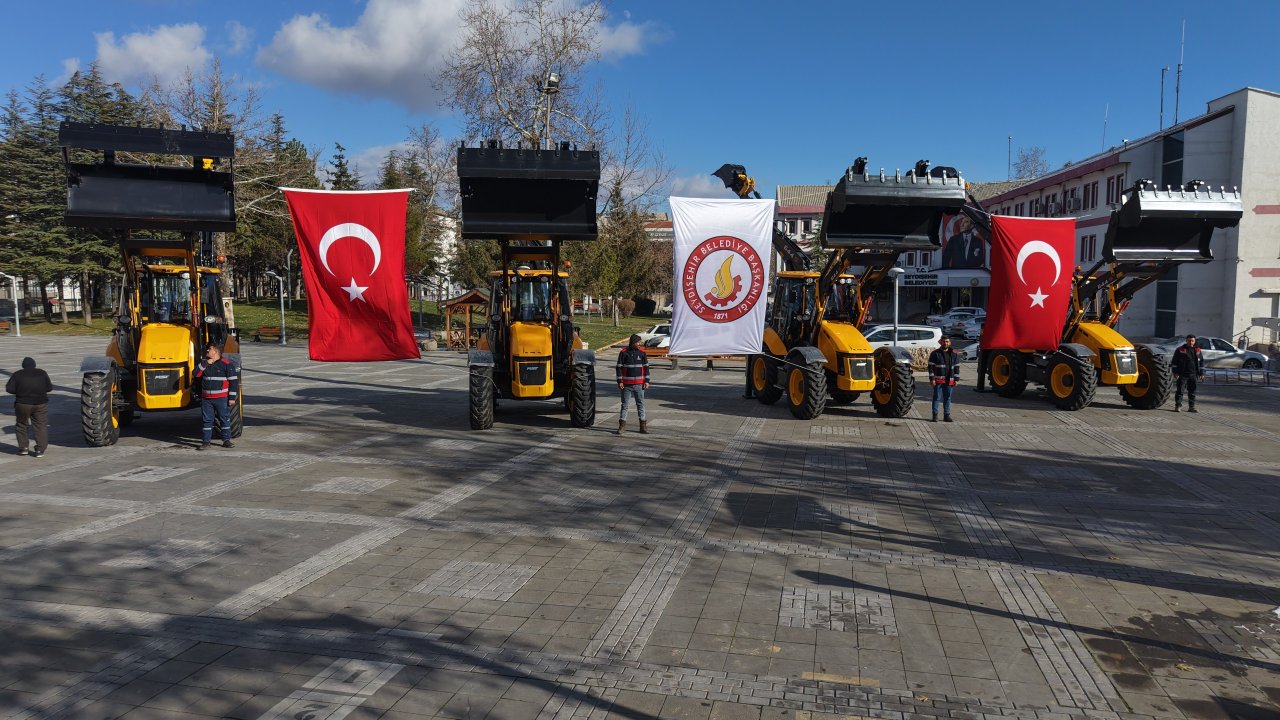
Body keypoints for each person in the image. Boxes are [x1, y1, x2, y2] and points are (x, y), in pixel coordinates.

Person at [194, 342, 239, 449]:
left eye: (209, 349)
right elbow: (195, 374)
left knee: (224, 419)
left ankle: (226, 441)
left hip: (221, 399)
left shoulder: (226, 364)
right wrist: (205, 364)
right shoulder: (204, 363)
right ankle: (206, 442)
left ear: (216, 351)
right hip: (206, 400)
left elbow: (233, 382)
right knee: (207, 420)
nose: (207, 350)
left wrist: (232, 398)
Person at [6, 357, 53, 457]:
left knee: (21, 425)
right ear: (34, 364)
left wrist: (20, 390)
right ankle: (40, 450)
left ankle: (23, 448)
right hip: (40, 404)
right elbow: (49, 388)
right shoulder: (42, 373)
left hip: (23, 404)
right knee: (40, 426)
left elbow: (9, 389)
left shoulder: (17, 374)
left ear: (23, 365)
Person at [615, 333, 650, 434]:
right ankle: (622, 426)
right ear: (633, 342)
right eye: (638, 342)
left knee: (640, 405)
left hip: (640, 385)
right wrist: (620, 381)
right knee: (625, 405)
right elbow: (618, 368)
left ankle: (643, 426)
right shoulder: (623, 353)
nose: (640, 344)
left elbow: (646, 368)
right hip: (626, 385)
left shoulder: (642, 353)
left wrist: (647, 381)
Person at [928, 336, 961, 422]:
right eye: (944, 342)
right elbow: (930, 367)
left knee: (947, 398)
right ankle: (935, 416)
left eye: (947, 342)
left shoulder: (954, 353)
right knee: (936, 398)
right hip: (938, 380)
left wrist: (956, 379)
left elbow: (957, 367)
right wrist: (932, 379)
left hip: (949, 380)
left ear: (950, 343)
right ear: (941, 342)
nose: (945, 343)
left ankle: (946, 415)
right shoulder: (935, 353)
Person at [1171, 333, 1205, 412]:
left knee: (1192, 391)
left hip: (1194, 374)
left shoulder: (1198, 350)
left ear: (1194, 341)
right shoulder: (1180, 349)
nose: (1191, 342)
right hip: (1182, 374)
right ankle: (1178, 406)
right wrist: (1175, 372)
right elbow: (1174, 362)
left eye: (1192, 341)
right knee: (1180, 391)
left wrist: (1201, 373)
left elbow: (1201, 362)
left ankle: (1191, 407)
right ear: (1186, 341)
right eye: (1189, 341)